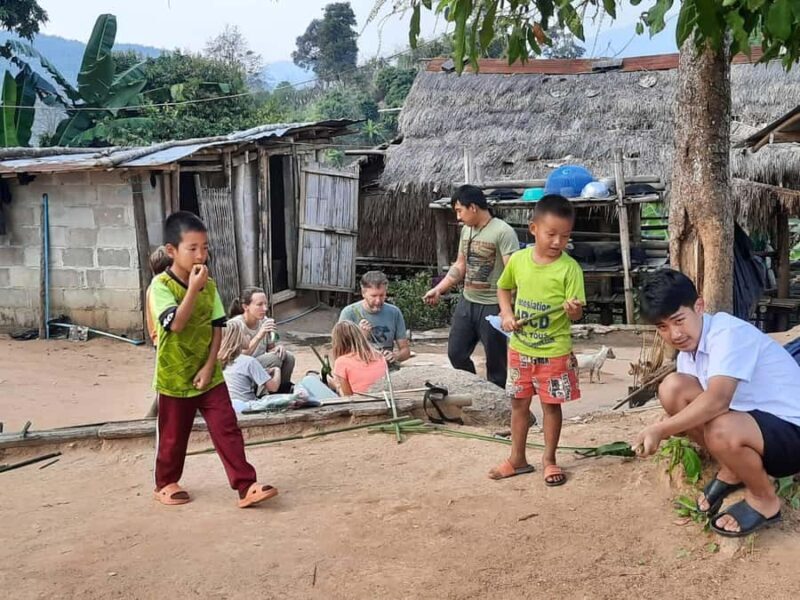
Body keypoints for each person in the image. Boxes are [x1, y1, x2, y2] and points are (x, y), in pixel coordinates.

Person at [632, 269, 800, 537]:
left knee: (721, 427)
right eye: (662, 327)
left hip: (791, 432)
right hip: (755, 423)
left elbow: (718, 400)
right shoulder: (691, 350)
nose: (674, 334)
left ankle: (765, 500)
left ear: (699, 306)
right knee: (673, 389)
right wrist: (667, 424)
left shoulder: (727, 333)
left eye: (678, 320)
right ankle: (734, 469)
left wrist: (661, 430)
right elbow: (695, 404)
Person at [149, 210, 277, 508]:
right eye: (192, 249)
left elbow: (217, 326)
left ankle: (246, 486)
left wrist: (210, 366)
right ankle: (165, 482)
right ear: (172, 251)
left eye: (204, 248)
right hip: (174, 375)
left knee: (226, 426)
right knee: (173, 436)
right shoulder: (160, 287)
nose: (200, 255)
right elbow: (176, 324)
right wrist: (193, 289)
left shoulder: (212, 285)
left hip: (210, 372)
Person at [489, 195, 585, 486]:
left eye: (565, 236)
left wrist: (574, 310)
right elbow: (503, 288)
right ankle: (517, 459)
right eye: (551, 234)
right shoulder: (518, 260)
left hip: (554, 352)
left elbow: (577, 313)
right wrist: (506, 314)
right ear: (533, 229)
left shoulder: (570, 269)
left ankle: (549, 460)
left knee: (550, 406)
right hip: (520, 349)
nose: (558, 242)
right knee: (519, 404)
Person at [423, 185, 520, 388]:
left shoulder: (503, 231)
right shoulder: (466, 231)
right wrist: (439, 288)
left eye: (460, 210)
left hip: (493, 305)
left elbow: (513, 273)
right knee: (456, 353)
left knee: (496, 364)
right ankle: (475, 389)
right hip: (467, 302)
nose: (458, 217)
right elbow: (460, 265)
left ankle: (497, 406)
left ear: (473, 207)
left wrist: (507, 309)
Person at [228, 287, 295, 392]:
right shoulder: (235, 325)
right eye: (259, 305)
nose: (265, 309)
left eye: (265, 304)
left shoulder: (265, 321)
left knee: (288, 357)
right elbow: (239, 357)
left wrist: (278, 348)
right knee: (275, 358)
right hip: (240, 366)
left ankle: (282, 390)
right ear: (246, 307)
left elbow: (270, 348)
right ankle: (264, 392)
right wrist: (259, 334)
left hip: (257, 362)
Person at [339, 271, 411, 365]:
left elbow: (405, 351)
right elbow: (340, 353)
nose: (378, 301)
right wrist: (361, 336)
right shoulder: (349, 313)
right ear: (363, 293)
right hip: (358, 369)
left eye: (382, 295)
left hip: (385, 369)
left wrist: (395, 356)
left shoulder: (394, 312)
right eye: (373, 296)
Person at [219, 319, 281, 413]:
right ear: (239, 338)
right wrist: (277, 370)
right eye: (245, 334)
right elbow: (273, 387)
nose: (248, 336)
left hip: (226, 406)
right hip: (246, 406)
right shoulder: (249, 361)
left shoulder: (218, 361)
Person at [145, 246, 173, 418]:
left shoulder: (157, 287)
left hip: (161, 340)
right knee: (167, 383)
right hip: (164, 340)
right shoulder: (159, 289)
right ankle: (150, 418)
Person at [331, 321, 388, 396]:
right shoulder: (379, 356)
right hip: (384, 398)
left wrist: (336, 385)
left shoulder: (341, 362)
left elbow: (348, 397)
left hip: (361, 403)